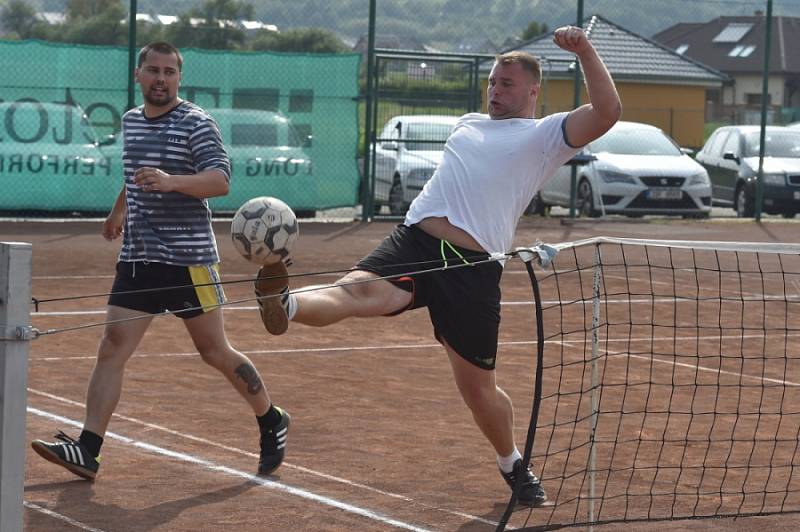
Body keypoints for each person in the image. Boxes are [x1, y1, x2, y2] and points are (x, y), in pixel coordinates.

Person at [255, 26, 621, 506]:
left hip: (474, 269)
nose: (495, 90)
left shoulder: (547, 134)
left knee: (479, 391)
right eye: (492, 81)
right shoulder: (468, 122)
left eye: (506, 83)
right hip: (416, 240)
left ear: (533, 91)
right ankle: (285, 304)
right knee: (357, 292)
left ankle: (511, 461)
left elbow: (607, 113)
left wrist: (585, 52)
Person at [31, 42, 290, 481]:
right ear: (138, 75)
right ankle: (88, 449)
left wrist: (172, 183)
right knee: (112, 347)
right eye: (153, 70)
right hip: (139, 257)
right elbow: (136, 173)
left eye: (169, 72)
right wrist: (120, 210)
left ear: (179, 78)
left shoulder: (196, 123)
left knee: (214, 352)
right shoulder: (132, 122)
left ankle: (270, 418)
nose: (161, 79)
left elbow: (220, 181)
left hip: (190, 261)